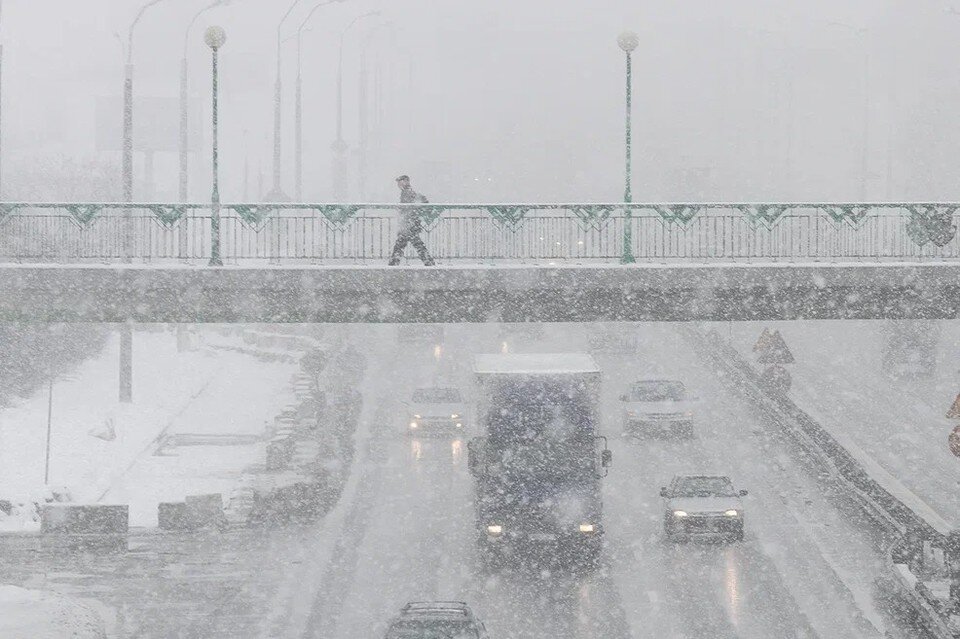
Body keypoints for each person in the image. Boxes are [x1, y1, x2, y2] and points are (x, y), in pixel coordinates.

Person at [388, 175, 435, 266]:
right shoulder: (410, 192)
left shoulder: (407, 192)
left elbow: (408, 208)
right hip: (411, 224)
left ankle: (394, 262)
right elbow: (421, 203)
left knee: (402, 244)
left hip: (408, 224)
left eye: (399, 181)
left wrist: (404, 213)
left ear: (405, 181)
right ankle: (428, 261)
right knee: (415, 244)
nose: (398, 184)